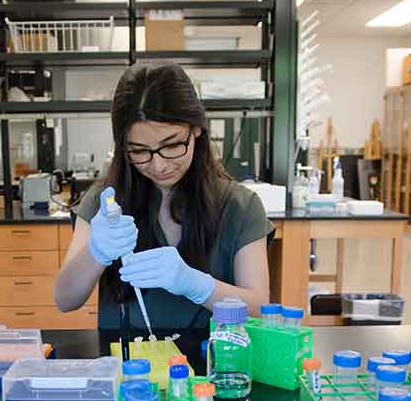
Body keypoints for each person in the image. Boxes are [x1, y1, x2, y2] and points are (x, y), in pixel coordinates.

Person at [54, 62, 274, 330]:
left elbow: (260, 311)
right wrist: (95, 252)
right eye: (139, 150)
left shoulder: (241, 207)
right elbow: (65, 300)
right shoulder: (105, 203)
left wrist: (197, 285)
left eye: (171, 145)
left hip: (215, 367)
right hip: (130, 368)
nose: (158, 166)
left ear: (197, 129)